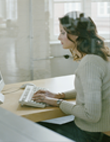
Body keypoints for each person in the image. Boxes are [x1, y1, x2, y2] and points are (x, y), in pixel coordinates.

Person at [32, 11, 110, 142]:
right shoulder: (98, 56)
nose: (59, 38)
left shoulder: (90, 64)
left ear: (77, 35)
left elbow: (91, 115)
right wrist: (60, 95)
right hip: (97, 130)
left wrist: (57, 102)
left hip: (93, 135)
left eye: (63, 33)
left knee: (31, 129)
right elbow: (92, 89)